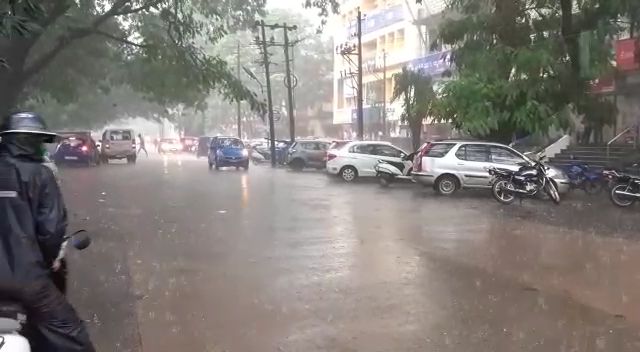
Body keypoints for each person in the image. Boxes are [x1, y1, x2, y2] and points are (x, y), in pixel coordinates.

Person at [0, 112, 95, 351]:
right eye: (35, 141)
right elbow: (51, 231)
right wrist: (51, 259)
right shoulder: (41, 176)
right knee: (74, 337)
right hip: (28, 282)